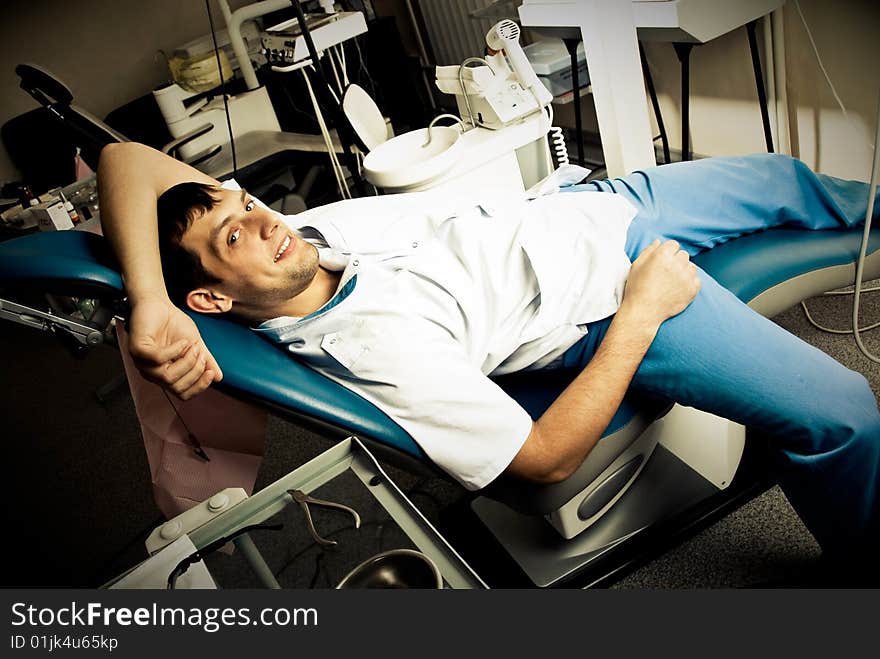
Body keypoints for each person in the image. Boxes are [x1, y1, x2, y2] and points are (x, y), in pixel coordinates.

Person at [98, 142, 879, 576]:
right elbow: (542, 459)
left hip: (585, 207)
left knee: (786, 178)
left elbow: (123, 156)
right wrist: (643, 308)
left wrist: (150, 297)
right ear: (211, 299)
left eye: (245, 203)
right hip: (609, 292)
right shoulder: (370, 346)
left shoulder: (293, 247)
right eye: (233, 235)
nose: (263, 221)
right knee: (844, 415)